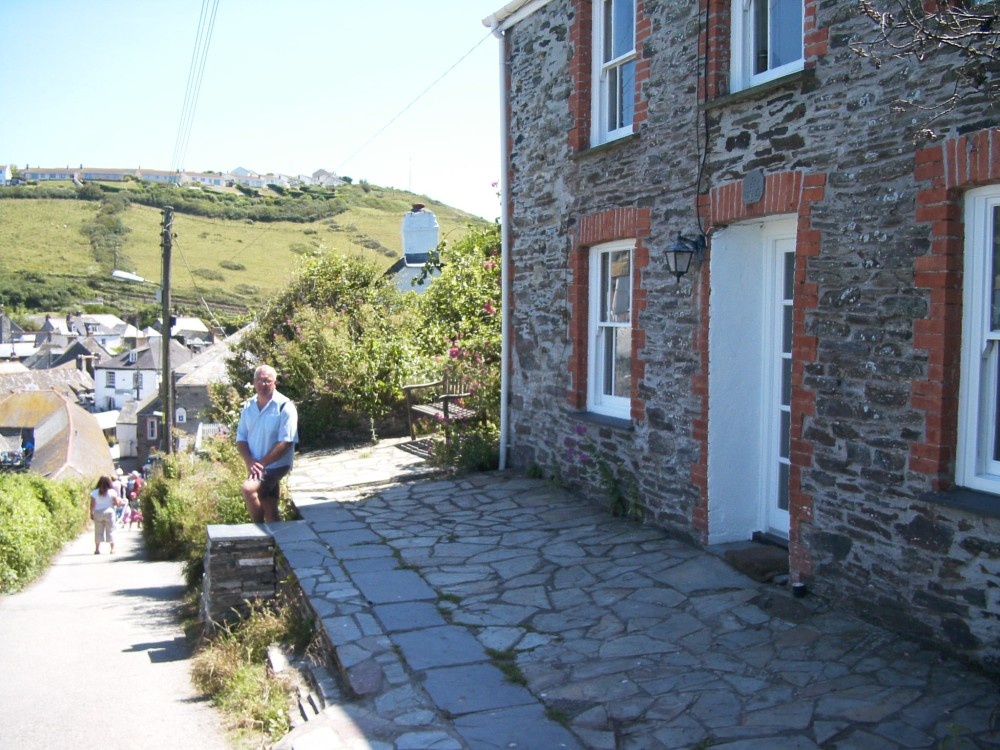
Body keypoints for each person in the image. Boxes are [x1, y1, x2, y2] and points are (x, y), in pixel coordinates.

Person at [235, 364, 298, 523]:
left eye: (267, 381)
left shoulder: (285, 406)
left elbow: (286, 441)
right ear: (254, 382)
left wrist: (262, 464)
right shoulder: (248, 406)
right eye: (260, 380)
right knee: (268, 504)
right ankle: (276, 535)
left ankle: (258, 529)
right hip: (255, 464)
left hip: (276, 465)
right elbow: (241, 438)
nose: (263, 384)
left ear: (275, 383)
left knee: (248, 489)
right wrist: (250, 461)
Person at [90, 475, 119, 554]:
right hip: (109, 512)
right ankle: (112, 549)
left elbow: (92, 504)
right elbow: (116, 503)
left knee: (98, 531)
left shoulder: (94, 492)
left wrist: (91, 513)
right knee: (111, 530)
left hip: (98, 512)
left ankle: (97, 549)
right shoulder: (112, 492)